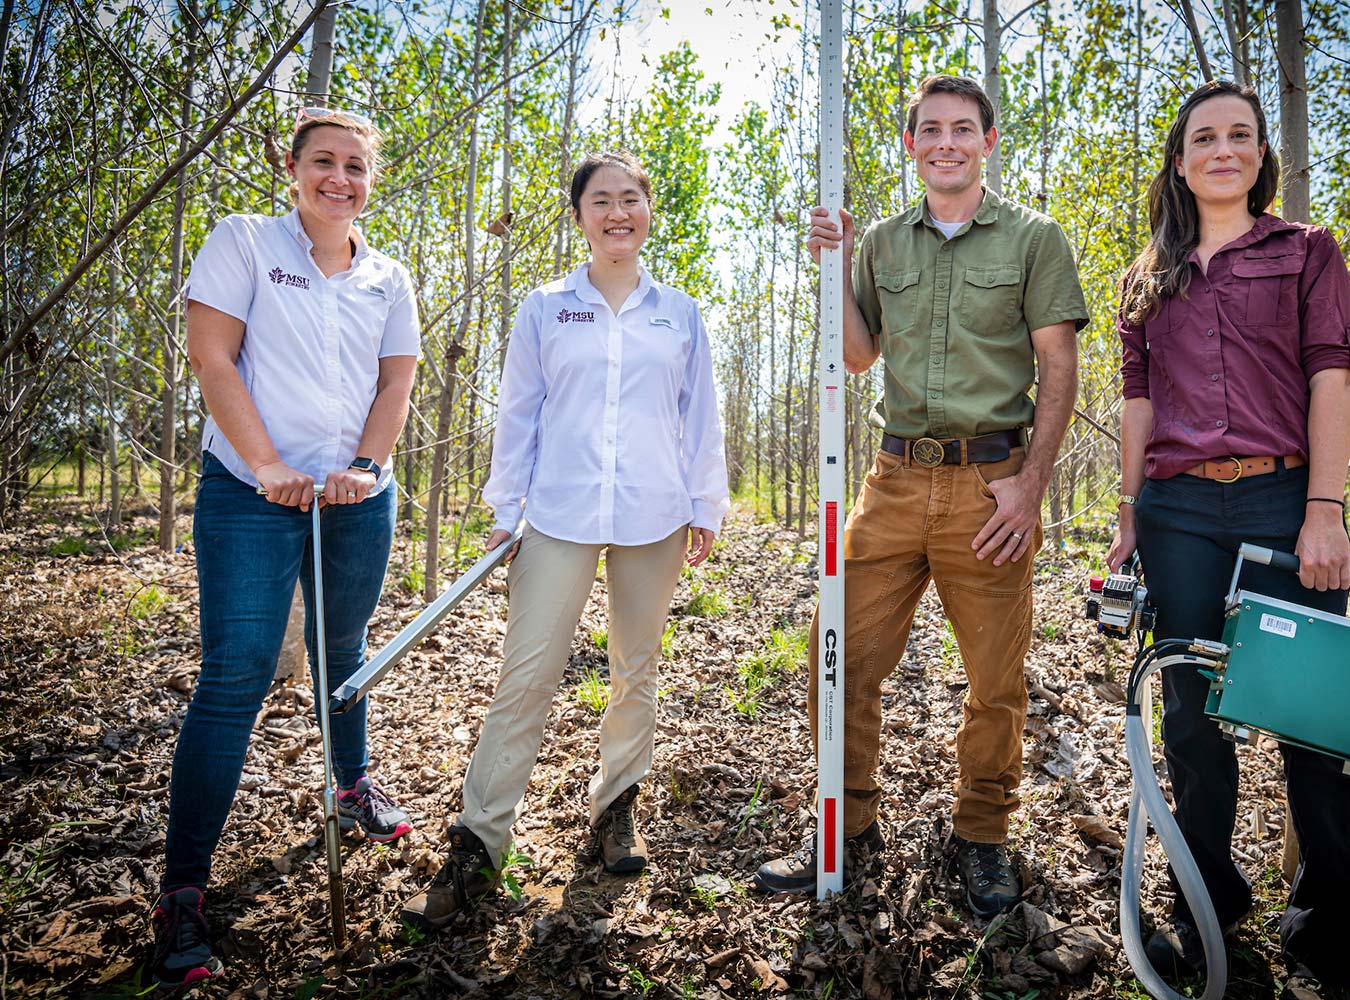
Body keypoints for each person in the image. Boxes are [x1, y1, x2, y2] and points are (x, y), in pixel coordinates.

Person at [753, 74, 1088, 919]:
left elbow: (1059, 365)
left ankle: (980, 837)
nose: (946, 141)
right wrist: (833, 267)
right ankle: (848, 822)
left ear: (988, 141)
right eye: (930, 129)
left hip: (990, 485)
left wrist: (1029, 487)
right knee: (842, 658)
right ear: (911, 145)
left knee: (994, 681)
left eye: (962, 129)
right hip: (893, 480)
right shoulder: (883, 246)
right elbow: (860, 356)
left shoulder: (1034, 238)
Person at [400, 151, 729, 932]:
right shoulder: (545, 308)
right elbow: (519, 413)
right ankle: (479, 842)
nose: (618, 213)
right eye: (601, 201)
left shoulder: (677, 312)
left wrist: (705, 502)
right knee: (528, 672)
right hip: (556, 513)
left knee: (635, 668)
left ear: (649, 210)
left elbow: (698, 416)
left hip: (655, 514)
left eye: (631, 200)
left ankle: (616, 808)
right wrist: (503, 507)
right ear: (579, 216)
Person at [149, 107, 420, 992]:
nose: (339, 179)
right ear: (294, 168)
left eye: (355, 168)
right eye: (323, 163)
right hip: (249, 496)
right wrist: (265, 465)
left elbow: (395, 381)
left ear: (370, 181)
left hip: (352, 500)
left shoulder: (388, 276)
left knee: (345, 653)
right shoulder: (244, 242)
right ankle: (183, 888)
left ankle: (353, 787)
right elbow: (214, 356)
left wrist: (364, 467)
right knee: (236, 675)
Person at [1108, 80, 1350, 1000]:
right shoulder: (1147, 275)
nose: (1224, 149)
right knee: (1192, 722)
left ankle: (1325, 946)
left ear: (1261, 156)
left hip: (1282, 502)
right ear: (1180, 161)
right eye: (1204, 138)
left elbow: (1331, 377)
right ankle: (1208, 917)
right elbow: (1139, 402)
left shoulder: (1306, 253)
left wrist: (1325, 508)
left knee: (1315, 726)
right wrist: (1132, 509)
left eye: (1241, 136)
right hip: (1178, 515)